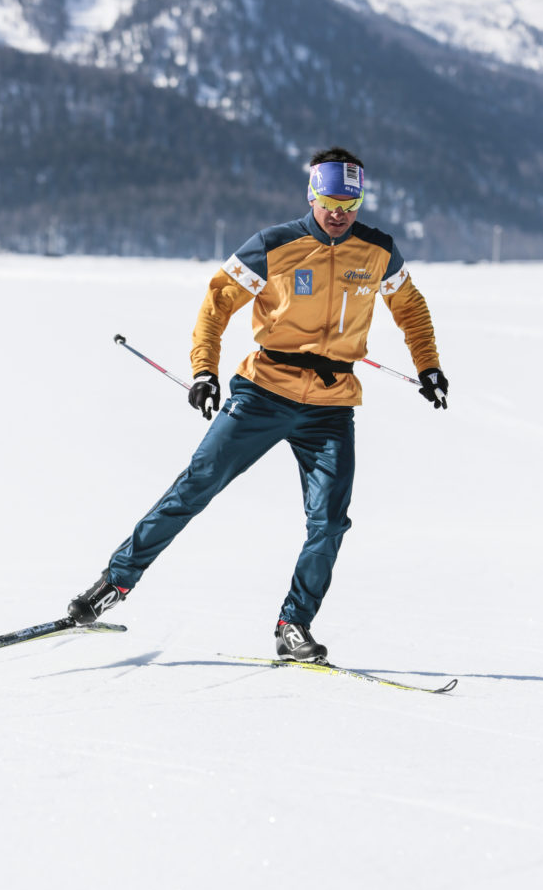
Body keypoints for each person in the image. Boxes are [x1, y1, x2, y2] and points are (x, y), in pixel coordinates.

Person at [68, 146, 448, 662]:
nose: (338, 213)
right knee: (195, 486)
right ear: (312, 194)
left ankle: (294, 624)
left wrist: (428, 365)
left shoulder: (378, 251)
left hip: (331, 407)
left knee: (330, 523)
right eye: (330, 200)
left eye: (349, 203)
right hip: (264, 391)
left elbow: (410, 307)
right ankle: (115, 582)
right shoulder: (275, 245)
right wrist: (205, 369)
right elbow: (217, 303)